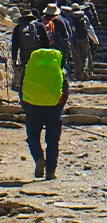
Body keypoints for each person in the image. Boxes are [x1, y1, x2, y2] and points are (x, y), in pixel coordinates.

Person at [20, 46, 69, 180]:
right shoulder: (60, 70)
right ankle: (50, 171)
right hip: (53, 108)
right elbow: (65, 91)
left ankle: (39, 158)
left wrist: (26, 106)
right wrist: (58, 107)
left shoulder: (30, 68)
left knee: (33, 137)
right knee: (53, 140)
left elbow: (22, 88)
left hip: (33, 107)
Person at [11, 11, 50, 89]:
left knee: (25, 74)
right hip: (38, 54)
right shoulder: (39, 26)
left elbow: (15, 45)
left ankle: (25, 93)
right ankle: (39, 90)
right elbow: (47, 42)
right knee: (39, 73)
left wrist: (14, 58)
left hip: (24, 55)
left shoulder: (18, 28)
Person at [40, 4, 73, 71]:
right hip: (59, 48)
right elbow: (68, 35)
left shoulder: (41, 20)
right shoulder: (61, 21)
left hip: (45, 47)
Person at [70, 4, 99, 79]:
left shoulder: (71, 17)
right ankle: (86, 73)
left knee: (76, 57)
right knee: (86, 55)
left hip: (74, 40)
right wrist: (95, 40)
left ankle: (77, 74)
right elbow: (90, 29)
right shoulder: (84, 17)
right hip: (84, 39)